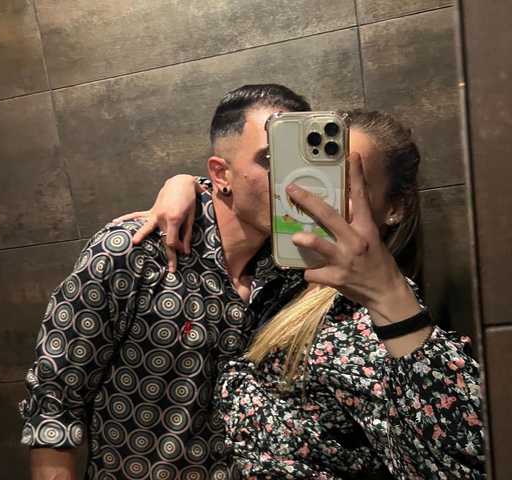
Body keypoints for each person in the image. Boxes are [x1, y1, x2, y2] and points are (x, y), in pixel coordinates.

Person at [125, 109, 485, 478]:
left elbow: (464, 464)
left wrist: (388, 297)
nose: (320, 202)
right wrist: (186, 185)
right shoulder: (286, 272)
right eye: (317, 181)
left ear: (394, 207)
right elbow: (244, 189)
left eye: (346, 186)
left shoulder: (372, 326)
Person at [19, 84, 315, 480]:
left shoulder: (296, 275)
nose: (289, 178)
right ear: (221, 173)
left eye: (298, 159)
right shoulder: (133, 251)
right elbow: (56, 398)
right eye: (270, 159)